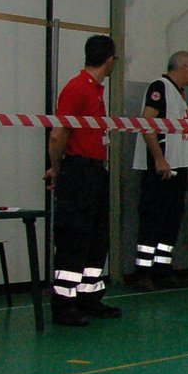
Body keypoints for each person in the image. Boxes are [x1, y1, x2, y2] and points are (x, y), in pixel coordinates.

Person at [43, 34, 121, 326]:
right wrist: (57, 168)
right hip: (78, 171)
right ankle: (64, 304)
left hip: (96, 170)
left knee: (96, 237)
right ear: (110, 59)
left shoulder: (96, 90)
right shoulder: (77, 89)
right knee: (74, 237)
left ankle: (89, 297)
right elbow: (58, 134)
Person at [130, 50, 188, 290]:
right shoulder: (160, 87)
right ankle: (144, 272)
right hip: (162, 168)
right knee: (153, 219)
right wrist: (159, 159)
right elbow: (148, 122)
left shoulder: (179, 95)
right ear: (183, 67)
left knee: (171, 219)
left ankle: (162, 268)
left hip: (179, 168)